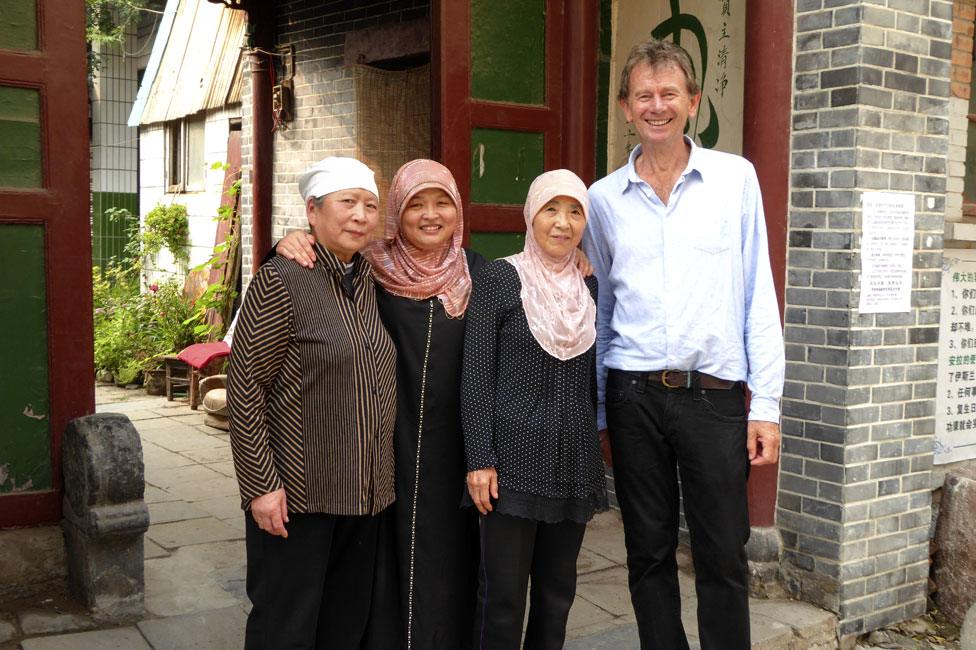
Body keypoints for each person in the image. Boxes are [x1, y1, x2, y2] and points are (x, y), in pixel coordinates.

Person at [583, 39, 785, 650]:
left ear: (692, 102)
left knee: (723, 550)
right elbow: (603, 309)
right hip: (633, 395)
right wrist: (597, 408)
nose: (657, 106)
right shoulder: (602, 200)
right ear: (625, 107)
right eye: (643, 95)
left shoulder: (734, 180)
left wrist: (766, 406)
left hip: (713, 398)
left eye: (669, 94)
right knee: (646, 551)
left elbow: (758, 293)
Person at [277, 159, 485, 649]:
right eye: (416, 204)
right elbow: (318, 258)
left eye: (442, 203)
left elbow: (539, 288)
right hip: (380, 451)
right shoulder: (371, 267)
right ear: (398, 213)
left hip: (455, 451)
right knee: (372, 570)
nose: (430, 215)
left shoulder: (480, 273)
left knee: (451, 560)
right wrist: (285, 240)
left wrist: (577, 264)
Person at [227, 157, 397, 650]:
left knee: (344, 621)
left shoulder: (367, 276)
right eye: (347, 203)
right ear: (312, 211)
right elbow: (244, 388)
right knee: (286, 622)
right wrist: (261, 487)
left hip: (365, 492)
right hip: (298, 495)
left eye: (369, 205)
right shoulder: (281, 279)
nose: (360, 216)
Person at [462, 169, 607, 650]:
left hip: (571, 461)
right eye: (551, 209)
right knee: (502, 600)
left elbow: (589, 381)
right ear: (531, 215)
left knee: (557, 596)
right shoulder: (501, 278)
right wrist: (480, 460)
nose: (562, 223)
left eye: (574, 212)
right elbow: (476, 377)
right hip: (511, 464)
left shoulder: (588, 288)